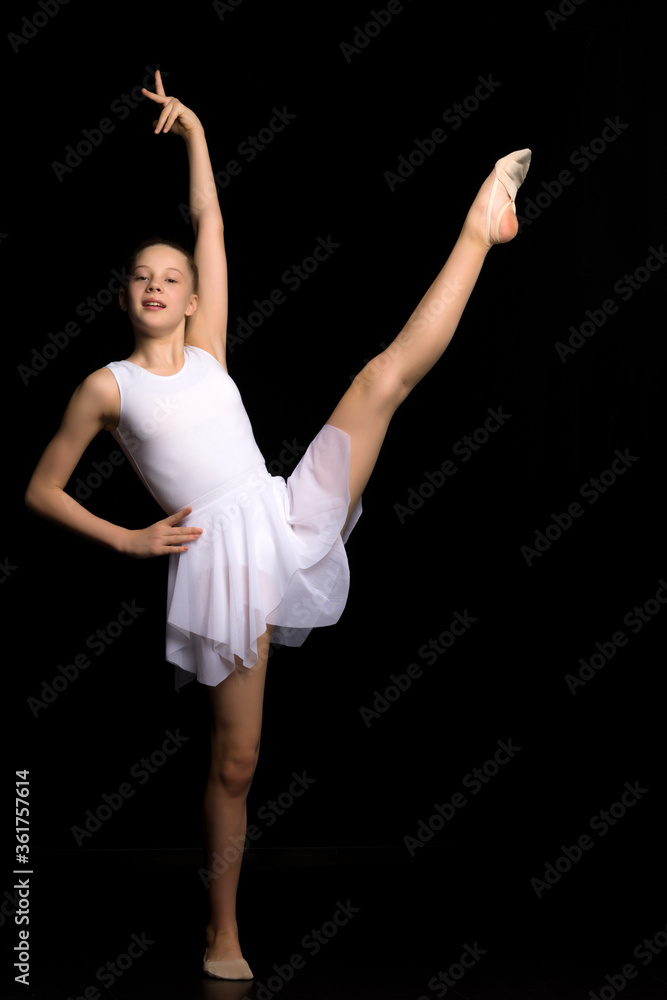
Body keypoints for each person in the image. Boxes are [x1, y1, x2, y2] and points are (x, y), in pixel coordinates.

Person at [24, 70, 530, 981]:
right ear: (126, 297)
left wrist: (197, 137)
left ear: (188, 300)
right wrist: (131, 540)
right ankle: (222, 929)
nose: (156, 285)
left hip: (282, 507)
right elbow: (42, 490)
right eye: (141, 276)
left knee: (380, 379)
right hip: (219, 560)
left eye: (169, 277)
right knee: (237, 761)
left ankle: (479, 226)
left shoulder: (210, 345)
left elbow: (210, 225)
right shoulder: (109, 387)